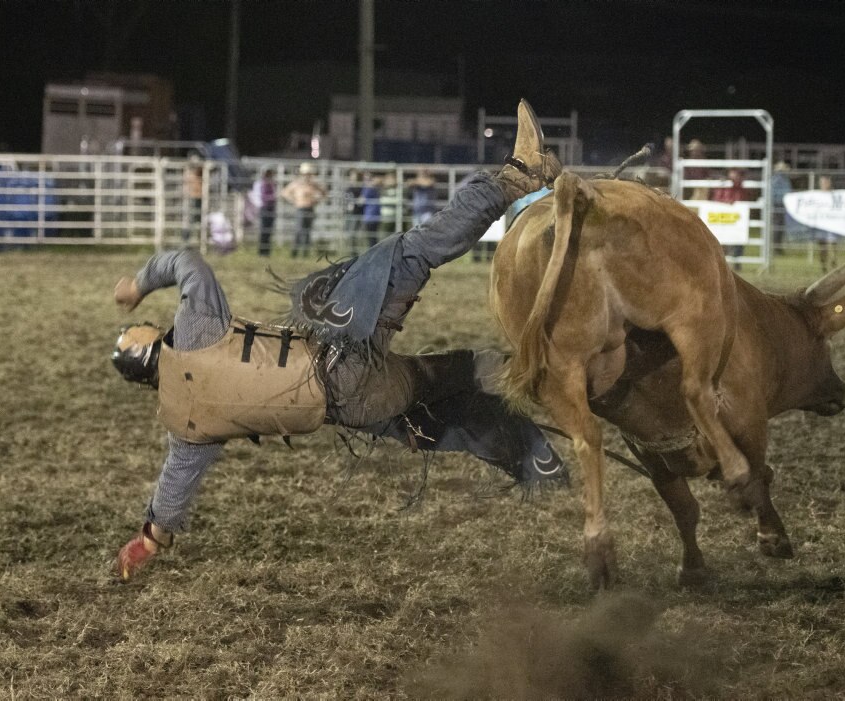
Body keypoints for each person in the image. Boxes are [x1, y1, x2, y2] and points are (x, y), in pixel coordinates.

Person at [111, 100, 567, 581]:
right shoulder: (192, 333)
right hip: (341, 360)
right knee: (410, 254)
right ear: (142, 349)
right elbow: (186, 262)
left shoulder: (185, 431)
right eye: (135, 333)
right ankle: (520, 176)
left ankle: (537, 384)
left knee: (442, 382)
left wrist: (147, 543)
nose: (142, 327)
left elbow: (170, 499)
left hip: (356, 409)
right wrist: (139, 284)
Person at [282, 162, 327, 258]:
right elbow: (285, 192)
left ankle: (304, 253)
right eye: (306, 174)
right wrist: (294, 200)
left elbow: (324, 192)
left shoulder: (313, 184)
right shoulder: (297, 184)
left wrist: (316, 200)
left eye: (309, 174)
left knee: (307, 231)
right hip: (301, 208)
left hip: (310, 208)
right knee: (299, 230)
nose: (307, 176)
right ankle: (295, 252)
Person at [711, 167, 752, 270]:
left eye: (737, 172)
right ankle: (722, 263)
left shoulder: (740, 186)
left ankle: (737, 262)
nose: (735, 175)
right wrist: (727, 203)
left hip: (735, 217)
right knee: (722, 240)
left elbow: (742, 199)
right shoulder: (723, 185)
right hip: (724, 216)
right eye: (733, 172)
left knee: (738, 240)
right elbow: (717, 199)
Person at [250, 169, 278, 257]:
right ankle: (262, 251)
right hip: (264, 208)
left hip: (271, 208)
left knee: (268, 231)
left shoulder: (272, 184)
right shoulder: (260, 184)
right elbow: (258, 196)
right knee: (264, 230)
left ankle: (266, 252)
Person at [770, 161, 792, 255]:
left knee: (780, 227)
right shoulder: (778, 180)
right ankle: (776, 247)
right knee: (778, 227)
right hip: (778, 204)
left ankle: (778, 247)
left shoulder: (781, 179)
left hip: (781, 204)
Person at [181, 154, 204, 243]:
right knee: (189, 218)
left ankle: (198, 238)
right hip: (191, 196)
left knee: (197, 218)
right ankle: (186, 238)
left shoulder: (199, 170)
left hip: (197, 196)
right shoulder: (189, 170)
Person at [359, 173, 382, 250]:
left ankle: (373, 253)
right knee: (373, 237)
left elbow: (361, 201)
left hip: (370, 216)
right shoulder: (375, 187)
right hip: (375, 215)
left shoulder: (368, 188)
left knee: (371, 238)